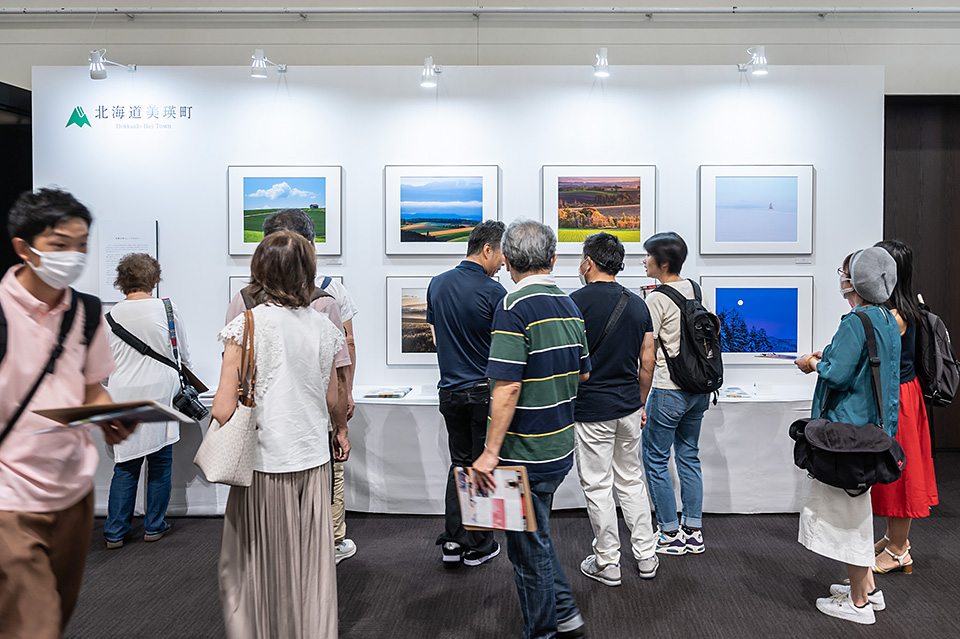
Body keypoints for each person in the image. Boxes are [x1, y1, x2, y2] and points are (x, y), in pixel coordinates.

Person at [0, 188, 135, 637]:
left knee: (54, 615)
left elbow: (92, 388)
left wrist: (110, 416)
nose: (73, 257)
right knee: (34, 623)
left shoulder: (87, 310)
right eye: (60, 245)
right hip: (9, 496)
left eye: (81, 245)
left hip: (74, 493)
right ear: (24, 248)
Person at [214, 230, 346, 638]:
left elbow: (222, 408)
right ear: (307, 271)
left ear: (261, 270)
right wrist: (340, 429)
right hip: (312, 458)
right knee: (311, 563)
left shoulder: (246, 324)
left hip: (265, 464)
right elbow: (333, 397)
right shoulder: (325, 327)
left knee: (255, 564)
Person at [473, 219, 590, 639]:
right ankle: (565, 611)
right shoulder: (570, 305)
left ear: (505, 261)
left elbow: (506, 386)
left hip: (524, 452)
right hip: (558, 444)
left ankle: (543, 631)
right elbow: (583, 373)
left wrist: (489, 452)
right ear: (554, 259)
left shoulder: (513, 307)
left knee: (525, 549)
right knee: (534, 534)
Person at [224, 208, 358, 564]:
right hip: (310, 439)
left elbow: (231, 386)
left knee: (264, 540)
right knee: (315, 530)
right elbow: (337, 378)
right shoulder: (325, 305)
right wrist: (341, 426)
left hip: (260, 439)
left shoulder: (243, 304)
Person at [794, 247, 901, 625]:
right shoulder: (886, 318)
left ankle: (858, 603)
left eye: (844, 271)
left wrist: (811, 363)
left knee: (848, 514)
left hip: (847, 433)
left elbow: (836, 375)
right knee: (857, 506)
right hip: (873, 429)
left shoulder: (856, 321)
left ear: (855, 281)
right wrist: (832, 356)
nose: (840, 276)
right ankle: (868, 588)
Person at [570, 232, 659, 586]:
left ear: (588, 261)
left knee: (597, 485)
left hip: (591, 408)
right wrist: (640, 402)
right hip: (627, 408)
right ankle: (647, 556)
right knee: (632, 481)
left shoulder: (573, 303)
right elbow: (648, 362)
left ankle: (608, 562)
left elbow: (568, 363)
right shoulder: (638, 304)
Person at [427, 219, 507, 566]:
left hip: (449, 391)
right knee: (483, 465)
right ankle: (479, 544)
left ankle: (453, 542)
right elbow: (504, 350)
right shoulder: (495, 293)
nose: (504, 262)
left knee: (459, 463)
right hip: (482, 392)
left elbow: (434, 337)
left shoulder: (437, 284)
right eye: (502, 254)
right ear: (487, 249)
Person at [103, 253, 193, 549]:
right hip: (160, 392)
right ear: (155, 279)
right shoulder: (167, 309)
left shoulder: (110, 317)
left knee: (125, 464)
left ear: (121, 281)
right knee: (160, 460)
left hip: (122, 394)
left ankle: (115, 532)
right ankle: (154, 526)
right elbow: (183, 356)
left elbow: (102, 368)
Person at [869, 240, 938, 573]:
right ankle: (894, 539)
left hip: (899, 400)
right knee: (895, 469)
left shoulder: (893, 317)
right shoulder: (905, 309)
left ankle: (899, 550)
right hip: (903, 396)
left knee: (900, 471)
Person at [640, 231, 710, 555]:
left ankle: (669, 533)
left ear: (662, 262)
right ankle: (693, 530)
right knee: (688, 455)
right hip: (698, 389)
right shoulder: (694, 289)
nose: (644, 261)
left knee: (655, 458)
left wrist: (640, 398)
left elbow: (649, 353)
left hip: (669, 390)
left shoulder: (655, 299)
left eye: (648, 256)